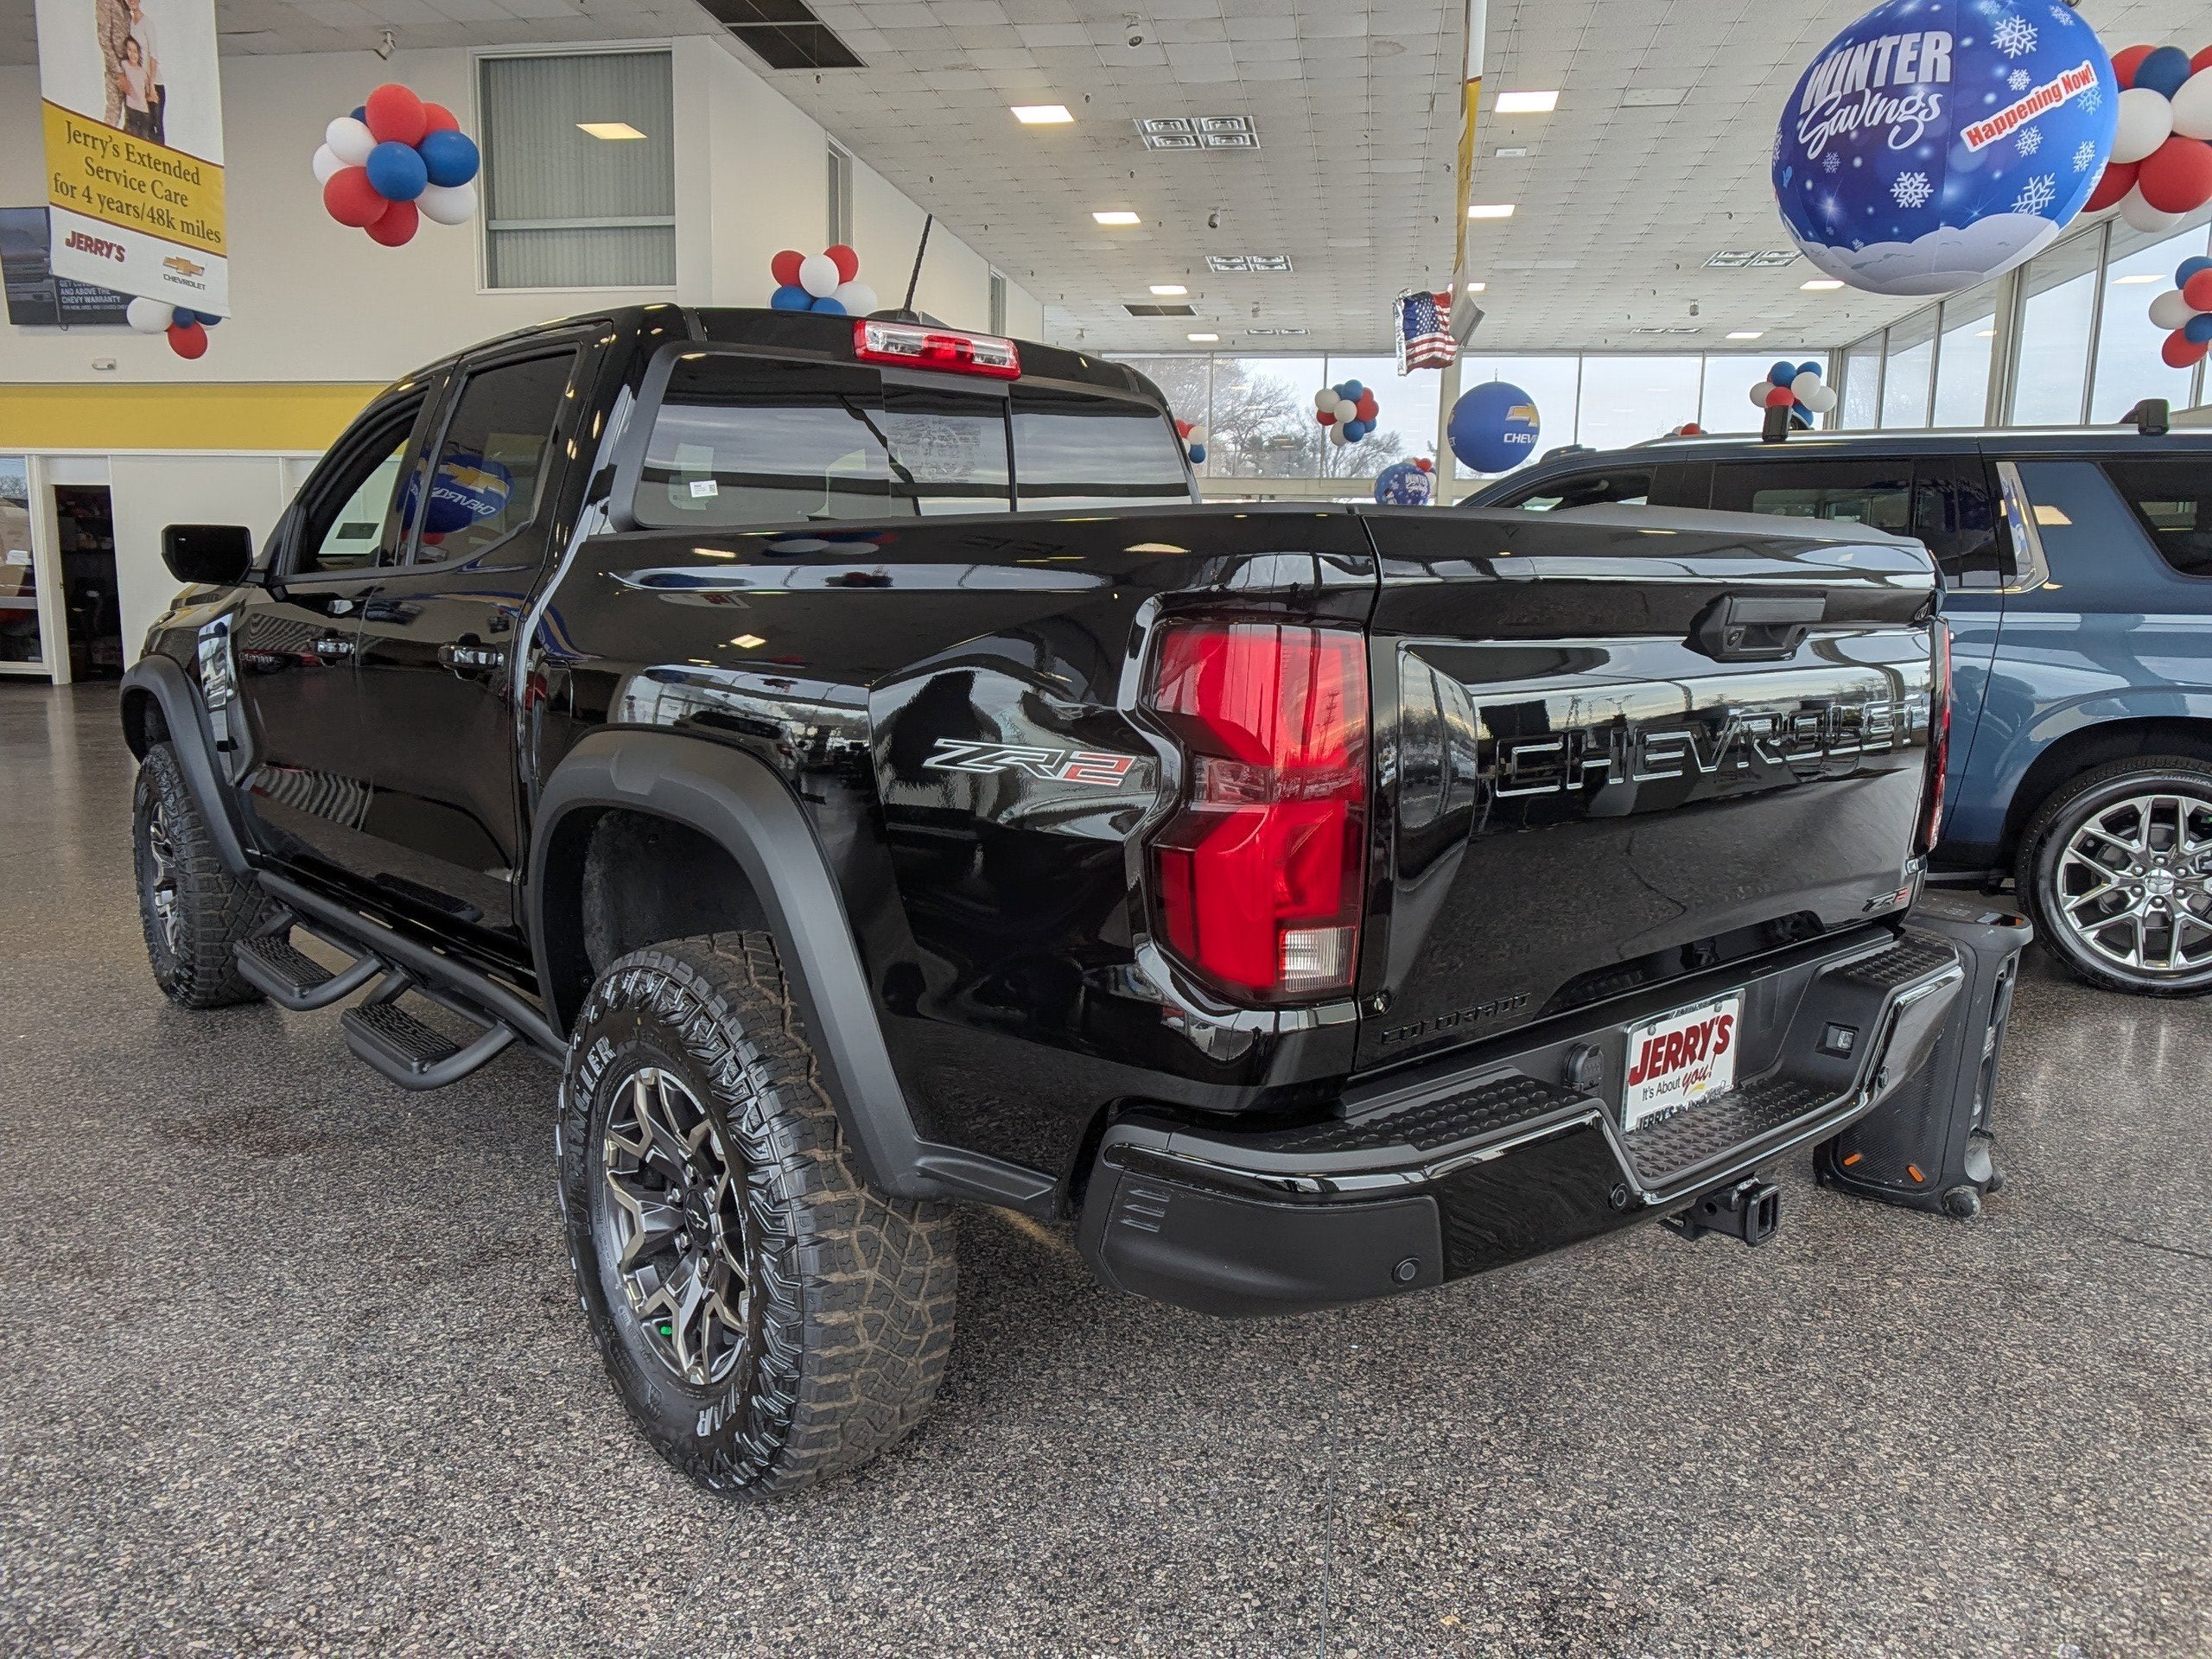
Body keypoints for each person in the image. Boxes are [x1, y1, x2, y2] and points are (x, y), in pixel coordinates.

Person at [125, 0, 164, 143]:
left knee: (156, 126)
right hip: (139, 85)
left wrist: (152, 86)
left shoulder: (147, 24)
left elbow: (153, 56)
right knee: (143, 127)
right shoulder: (129, 23)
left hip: (154, 84)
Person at [97, 0, 132, 127]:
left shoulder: (126, 5)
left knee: (132, 120)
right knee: (113, 116)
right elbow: (104, 39)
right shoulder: (105, 2)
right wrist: (119, 73)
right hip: (116, 72)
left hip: (132, 70)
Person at [118, 36, 155, 140]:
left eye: (135, 51)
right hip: (132, 109)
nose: (132, 54)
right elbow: (119, 76)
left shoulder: (143, 73)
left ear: (139, 53)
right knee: (131, 136)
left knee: (143, 138)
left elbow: (147, 93)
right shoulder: (124, 64)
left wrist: (150, 97)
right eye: (129, 50)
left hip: (143, 111)